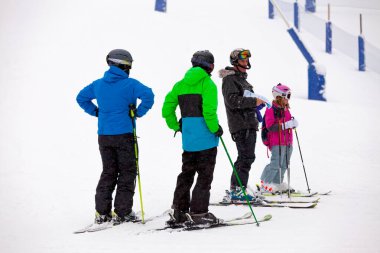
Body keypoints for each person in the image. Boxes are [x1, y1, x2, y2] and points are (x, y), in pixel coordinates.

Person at [76, 49, 154, 225]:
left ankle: (102, 213)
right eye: (129, 66)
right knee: (127, 172)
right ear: (123, 66)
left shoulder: (98, 84)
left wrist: (96, 112)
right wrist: (138, 113)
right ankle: (123, 212)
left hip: (104, 136)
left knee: (108, 172)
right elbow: (149, 95)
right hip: (124, 135)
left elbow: (81, 98)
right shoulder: (131, 84)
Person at [162, 50, 223, 227]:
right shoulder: (208, 84)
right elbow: (209, 112)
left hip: (188, 141)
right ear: (210, 66)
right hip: (206, 141)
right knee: (204, 177)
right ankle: (199, 212)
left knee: (186, 174)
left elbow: (166, 110)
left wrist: (177, 126)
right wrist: (216, 129)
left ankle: (179, 210)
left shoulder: (180, 85)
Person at [219, 48, 265, 203]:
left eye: (247, 60)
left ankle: (238, 188)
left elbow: (242, 99)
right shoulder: (230, 79)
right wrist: (253, 101)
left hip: (248, 123)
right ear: (234, 61)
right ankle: (238, 189)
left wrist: (256, 104)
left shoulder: (242, 80)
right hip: (241, 124)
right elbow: (232, 101)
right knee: (246, 157)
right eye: (242, 60)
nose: (246, 63)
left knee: (246, 157)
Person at [260, 83, 298, 193]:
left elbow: (287, 123)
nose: (288, 99)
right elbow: (270, 127)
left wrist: (292, 124)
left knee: (284, 164)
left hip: (288, 142)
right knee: (275, 164)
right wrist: (286, 125)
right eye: (287, 96)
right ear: (279, 96)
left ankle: (277, 184)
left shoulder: (285, 109)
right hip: (277, 142)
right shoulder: (271, 109)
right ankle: (265, 183)